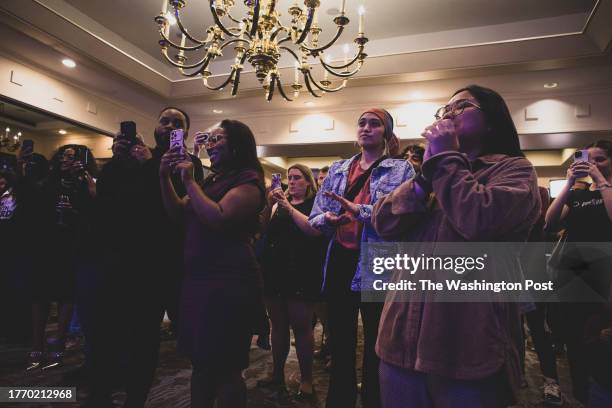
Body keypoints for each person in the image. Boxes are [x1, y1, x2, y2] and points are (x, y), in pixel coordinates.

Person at [372, 85, 541, 407]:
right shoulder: (432, 174)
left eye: (461, 106)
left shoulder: (514, 171)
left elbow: (478, 220)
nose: (447, 114)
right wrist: (423, 178)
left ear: (491, 121)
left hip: (466, 346)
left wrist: (447, 158)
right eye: (443, 110)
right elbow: (384, 223)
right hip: (400, 340)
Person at [77, 107, 203, 407]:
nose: (169, 125)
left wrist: (150, 165)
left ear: (183, 133)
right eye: (164, 120)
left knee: (142, 337)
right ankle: (99, 395)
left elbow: (173, 211)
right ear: (156, 126)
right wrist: (116, 160)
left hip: (155, 263)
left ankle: (135, 398)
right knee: (104, 331)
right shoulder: (131, 157)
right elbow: (105, 198)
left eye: (177, 123)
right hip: (116, 258)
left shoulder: (187, 162)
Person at [309, 108, 414, 408]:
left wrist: (362, 211)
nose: (366, 128)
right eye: (362, 123)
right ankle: (338, 401)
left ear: (387, 133)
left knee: (376, 344)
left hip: (378, 262)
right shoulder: (338, 168)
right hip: (342, 258)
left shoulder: (401, 169)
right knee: (339, 341)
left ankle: (373, 401)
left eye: (375, 124)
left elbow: (402, 215)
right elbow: (315, 216)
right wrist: (328, 218)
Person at [160, 119, 265, 408]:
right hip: (199, 279)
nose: (210, 145)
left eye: (218, 139)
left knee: (226, 366)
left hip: (228, 282)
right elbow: (179, 214)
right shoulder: (213, 179)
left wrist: (190, 181)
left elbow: (220, 217)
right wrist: (164, 178)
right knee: (202, 362)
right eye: (210, 140)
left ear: (237, 145)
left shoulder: (249, 179)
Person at [544, 139, 612, 403]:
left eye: (600, 160)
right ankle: (582, 396)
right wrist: (569, 184)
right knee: (573, 342)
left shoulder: (607, 190)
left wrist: (600, 180)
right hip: (571, 275)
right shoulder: (579, 193)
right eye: (589, 159)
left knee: (596, 340)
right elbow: (549, 223)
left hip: (602, 277)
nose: (593, 164)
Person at [259, 164, 325, 398]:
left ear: (308, 182)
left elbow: (313, 229)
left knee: (301, 327)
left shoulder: (315, 204)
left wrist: (287, 206)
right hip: (275, 271)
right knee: (277, 326)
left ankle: (307, 378)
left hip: (301, 271)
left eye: (297, 178)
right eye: (290, 178)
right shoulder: (278, 205)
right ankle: (277, 372)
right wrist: (269, 205)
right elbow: (263, 228)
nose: (292, 182)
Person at [28, 144, 97, 370]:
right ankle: (37, 343)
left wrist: (74, 210)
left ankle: (59, 341)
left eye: (73, 157)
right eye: (64, 156)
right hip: (46, 244)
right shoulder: (48, 182)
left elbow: (93, 218)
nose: (67, 160)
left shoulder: (85, 183)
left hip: (72, 245)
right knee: (40, 295)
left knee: (66, 295)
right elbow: (36, 213)